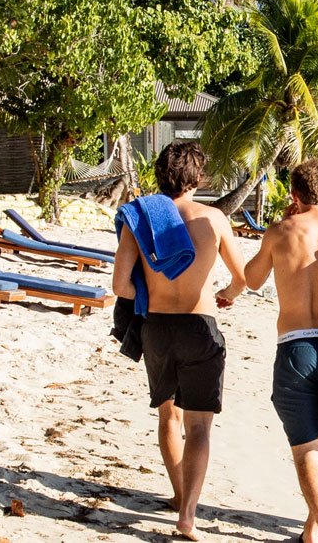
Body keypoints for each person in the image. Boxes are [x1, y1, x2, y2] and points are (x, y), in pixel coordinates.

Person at [112, 142, 248, 541]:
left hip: (155, 327)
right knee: (200, 426)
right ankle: (187, 514)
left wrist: (148, 287)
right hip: (198, 325)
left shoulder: (141, 220)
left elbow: (120, 284)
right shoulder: (214, 218)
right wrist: (225, 294)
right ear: (198, 177)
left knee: (167, 416)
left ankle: (176, 494)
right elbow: (242, 279)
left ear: (159, 174)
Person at [240, 161, 318, 543]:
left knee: (305, 451)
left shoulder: (281, 231)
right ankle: (309, 532)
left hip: (296, 348)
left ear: (294, 196)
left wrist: (278, 229)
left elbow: (251, 281)